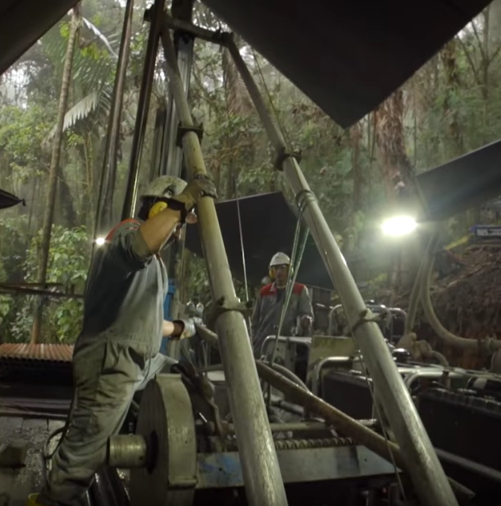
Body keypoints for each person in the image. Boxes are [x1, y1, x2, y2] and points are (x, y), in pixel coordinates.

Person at [36, 174, 216, 506]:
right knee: (80, 461)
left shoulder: (154, 263)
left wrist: (182, 328)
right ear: (160, 208)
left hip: (141, 360)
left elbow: (145, 321)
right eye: (178, 223)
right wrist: (185, 200)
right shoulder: (128, 235)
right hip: (111, 363)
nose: (178, 233)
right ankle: (55, 501)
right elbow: (138, 248)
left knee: (183, 378)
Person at [250, 252, 314, 357]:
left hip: (288, 346)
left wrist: (305, 320)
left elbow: (306, 313)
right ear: (272, 272)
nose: (279, 272)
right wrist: (253, 340)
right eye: (275, 268)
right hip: (262, 345)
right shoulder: (264, 292)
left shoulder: (300, 290)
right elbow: (254, 320)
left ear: (289, 270)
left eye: (282, 268)